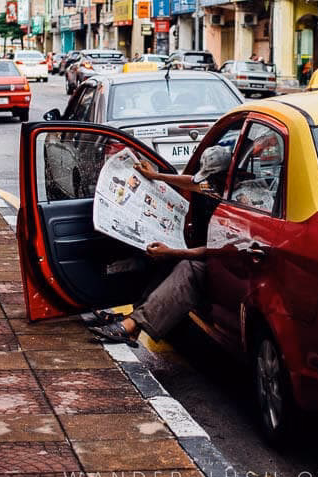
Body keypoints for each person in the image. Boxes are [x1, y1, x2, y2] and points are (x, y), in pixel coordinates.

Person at [87, 145, 233, 345]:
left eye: (211, 178)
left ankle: (132, 325)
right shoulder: (216, 185)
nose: (207, 182)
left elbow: (215, 250)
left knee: (187, 266)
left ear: (226, 174)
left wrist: (171, 251)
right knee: (168, 263)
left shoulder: (236, 201)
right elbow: (191, 183)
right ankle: (133, 319)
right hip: (213, 256)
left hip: (229, 266)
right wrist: (155, 176)